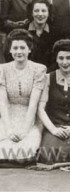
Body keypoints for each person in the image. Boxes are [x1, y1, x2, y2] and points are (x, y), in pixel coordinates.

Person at [0, 29, 46, 166]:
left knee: (26, 151)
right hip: (8, 116)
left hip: (30, 118)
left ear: (29, 49)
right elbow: (2, 102)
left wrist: (25, 130)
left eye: (22, 47)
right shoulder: (2, 69)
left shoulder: (39, 69)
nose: (18, 51)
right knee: (3, 148)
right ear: (10, 50)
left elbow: (33, 104)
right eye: (15, 48)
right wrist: (8, 129)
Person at [38, 39, 70, 164]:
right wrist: (53, 129)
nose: (64, 62)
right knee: (48, 155)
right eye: (61, 58)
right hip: (55, 125)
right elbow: (40, 108)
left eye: (68, 58)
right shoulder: (48, 78)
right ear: (56, 59)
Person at [25, 0, 55, 68]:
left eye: (44, 11)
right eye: (36, 11)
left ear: (48, 12)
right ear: (31, 12)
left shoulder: (56, 33)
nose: (40, 14)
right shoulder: (23, 31)